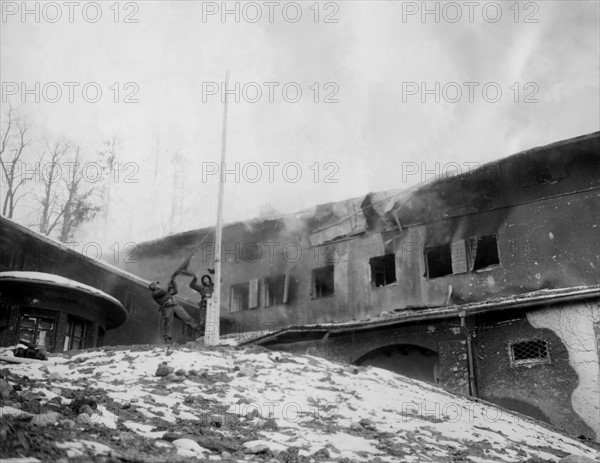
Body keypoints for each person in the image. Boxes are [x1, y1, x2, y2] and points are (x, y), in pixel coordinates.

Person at [149, 278, 200, 343]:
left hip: (175, 305)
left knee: (187, 318)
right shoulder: (155, 293)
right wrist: (169, 283)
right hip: (167, 307)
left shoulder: (163, 291)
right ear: (153, 287)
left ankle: (200, 331)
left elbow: (175, 291)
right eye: (156, 285)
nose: (158, 285)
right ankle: (167, 339)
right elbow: (165, 290)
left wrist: (173, 283)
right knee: (168, 323)